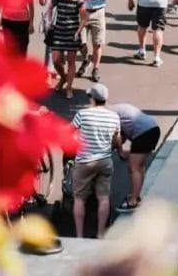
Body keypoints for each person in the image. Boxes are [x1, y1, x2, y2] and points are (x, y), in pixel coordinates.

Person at [69, 84, 122, 239]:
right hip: (105, 161)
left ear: (92, 98)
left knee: (79, 199)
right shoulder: (114, 116)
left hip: (85, 161)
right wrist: (119, 151)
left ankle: (79, 235)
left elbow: (69, 130)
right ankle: (100, 233)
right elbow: (116, 139)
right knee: (103, 197)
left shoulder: (83, 114)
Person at [111, 102, 160, 213]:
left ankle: (133, 201)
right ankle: (136, 195)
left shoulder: (109, 116)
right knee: (139, 166)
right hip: (152, 129)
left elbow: (118, 138)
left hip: (144, 133)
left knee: (134, 167)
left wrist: (120, 152)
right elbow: (121, 137)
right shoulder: (116, 110)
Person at [77, 0, 114, 83]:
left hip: (98, 11)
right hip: (84, 11)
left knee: (97, 43)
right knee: (81, 42)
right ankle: (86, 60)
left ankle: (95, 68)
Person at [46, 0, 85, 99]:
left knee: (71, 61)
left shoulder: (78, 0)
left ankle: (69, 88)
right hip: (59, 32)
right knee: (56, 60)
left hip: (72, 34)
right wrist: (50, 21)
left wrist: (78, 31)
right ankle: (63, 78)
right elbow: (50, 7)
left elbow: (84, 18)